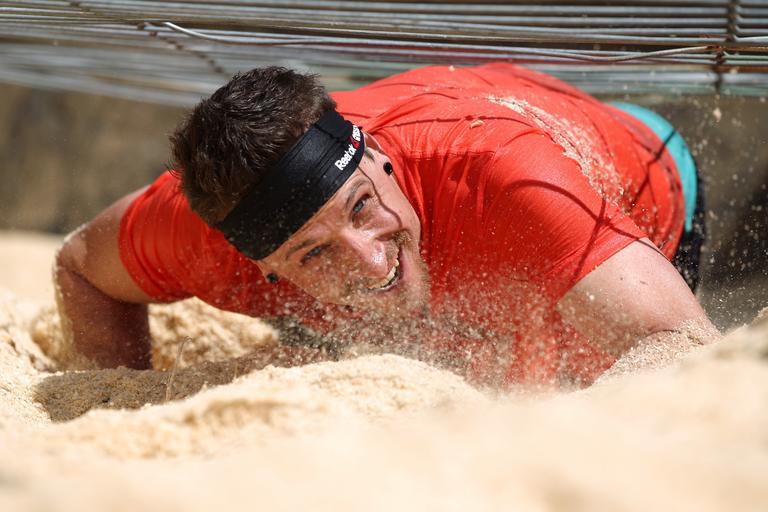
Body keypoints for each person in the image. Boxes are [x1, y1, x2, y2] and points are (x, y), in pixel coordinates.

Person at [55, 63, 717, 388]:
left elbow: (684, 348)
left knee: (555, 381)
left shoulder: (506, 183)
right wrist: (117, 395)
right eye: (313, 253)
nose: (373, 262)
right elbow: (81, 266)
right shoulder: (195, 237)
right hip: (490, 134)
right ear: (257, 264)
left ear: (377, 156)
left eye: (361, 207)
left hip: (642, 169)